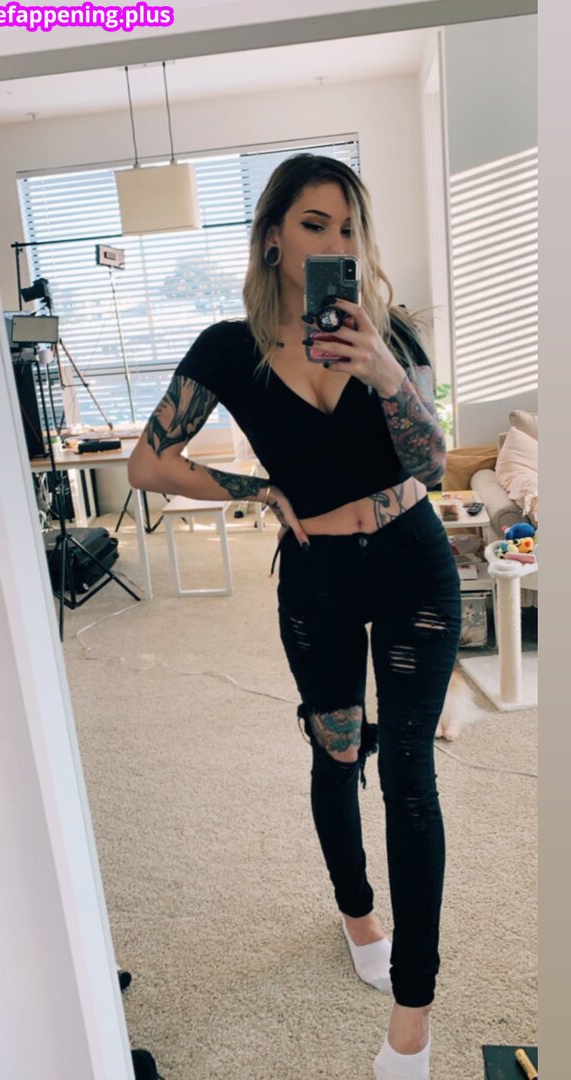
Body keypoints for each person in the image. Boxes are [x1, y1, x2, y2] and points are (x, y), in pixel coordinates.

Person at [128, 154, 461, 1080]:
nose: (335, 244)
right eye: (316, 225)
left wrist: (384, 370)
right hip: (317, 575)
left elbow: (432, 464)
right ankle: (357, 914)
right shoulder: (225, 349)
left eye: (349, 228)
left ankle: (412, 1018)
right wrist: (260, 489)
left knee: (409, 773)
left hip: (412, 560)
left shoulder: (388, 332)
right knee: (336, 748)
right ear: (273, 236)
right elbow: (148, 466)